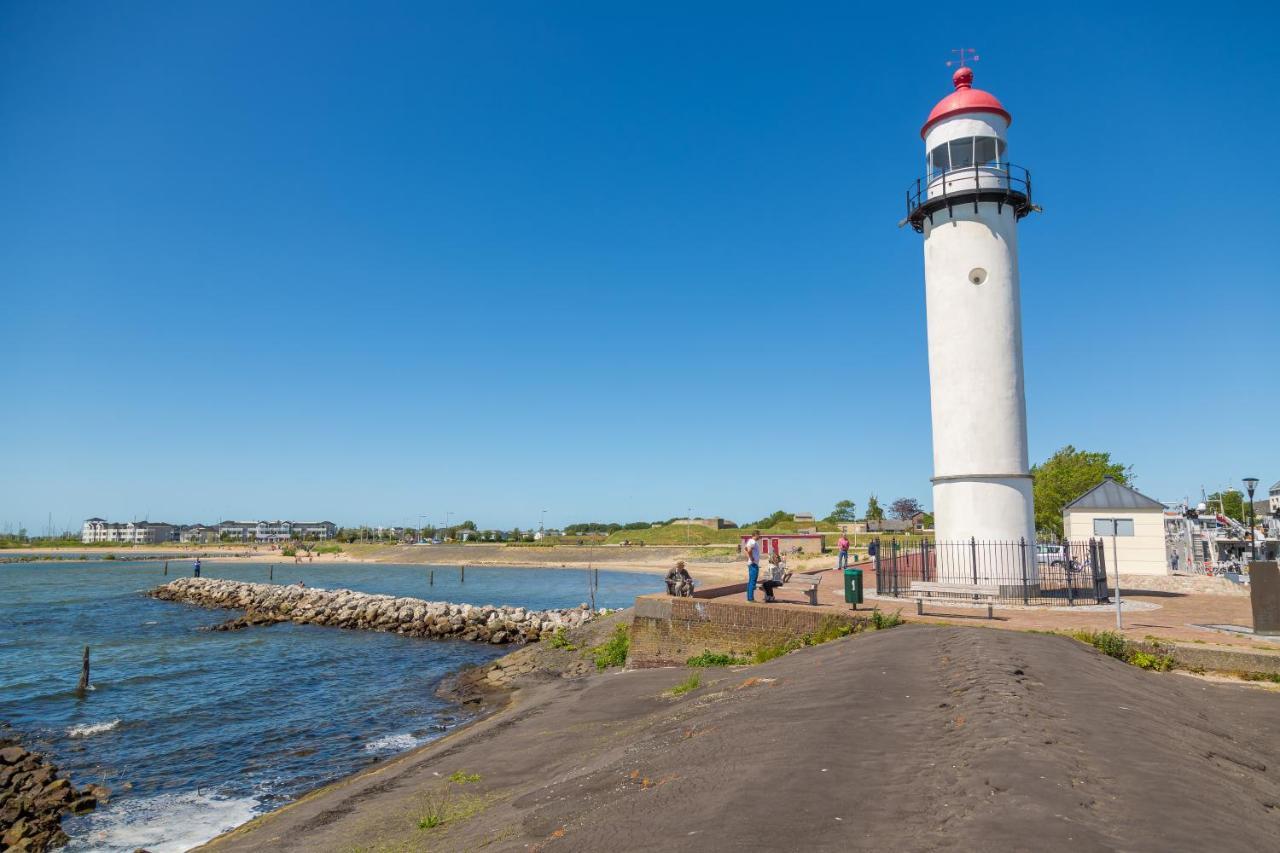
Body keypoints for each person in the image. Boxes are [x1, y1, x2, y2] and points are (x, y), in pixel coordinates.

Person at [744, 531, 761, 602]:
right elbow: (749, 550)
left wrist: (749, 557)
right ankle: (750, 599)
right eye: (759, 535)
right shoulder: (753, 541)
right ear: (755, 535)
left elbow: (745, 549)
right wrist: (751, 558)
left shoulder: (750, 541)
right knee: (752, 581)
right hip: (753, 564)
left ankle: (749, 598)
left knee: (751, 581)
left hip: (752, 564)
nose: (759, 536)